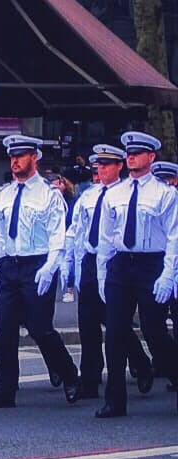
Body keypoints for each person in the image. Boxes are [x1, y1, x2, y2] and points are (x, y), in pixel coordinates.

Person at [0, 134, 80, 410]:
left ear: (34, 157)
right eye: (12, 156)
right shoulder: (1, 195)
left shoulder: (48, 195)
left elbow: (58, 235)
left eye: (20, 156)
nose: (15, 161)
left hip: (37, 265)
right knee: (4, 331)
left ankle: (69, 374)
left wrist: (50, 267)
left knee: (40, 328)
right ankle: (4, 391)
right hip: (9, 266)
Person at [93, 130, 178, 418]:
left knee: (155, 332)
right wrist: (103, 274)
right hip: (121, 265)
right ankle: (115, 401)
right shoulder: (114, 194)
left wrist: (169, 275)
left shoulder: (164, 194)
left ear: (151, 157)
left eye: (137, 153)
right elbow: (106, 237)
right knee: (115, 332)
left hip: (151, 265)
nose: (131, 157)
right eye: (129, 153)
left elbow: (174, 237)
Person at [63, 144, 153, 402]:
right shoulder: (88, 196)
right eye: (98, 165)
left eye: (106, 165)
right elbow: (76, 230)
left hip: (117, 261)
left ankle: (140, 362)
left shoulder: (125, 193)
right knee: (88, 322)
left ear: (119, 166)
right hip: (91, 261)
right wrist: (70, 263)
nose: (101, 170)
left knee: (115, 321)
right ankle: (90, 380)